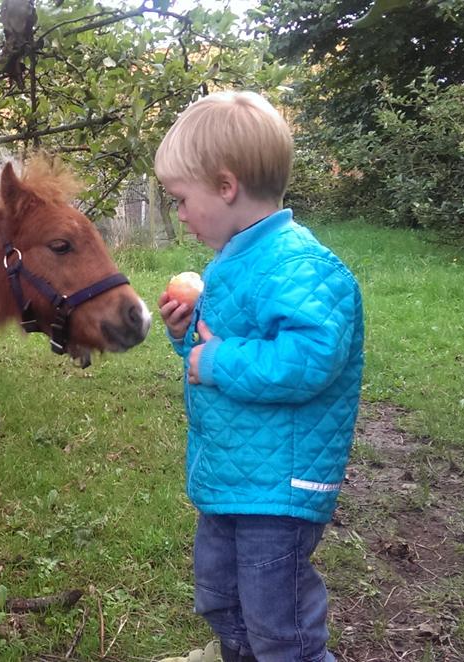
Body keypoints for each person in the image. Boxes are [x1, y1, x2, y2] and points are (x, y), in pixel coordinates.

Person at [155, 91, 364, 662]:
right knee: (222, 599)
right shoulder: (237, 257)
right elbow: (221, 348)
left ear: (226, 187)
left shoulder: (300, 265)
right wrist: (187, 336)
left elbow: (310, 360)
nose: (179, 213)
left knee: (281, 626)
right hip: (234, 475)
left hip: (279, 484)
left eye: (180, 199)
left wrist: (217, 362)